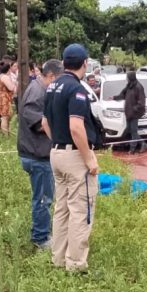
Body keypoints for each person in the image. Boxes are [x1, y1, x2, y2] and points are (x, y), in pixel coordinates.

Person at [42, 44, 100, 273]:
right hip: (75, 157)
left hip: (56, 153)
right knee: (80, 210)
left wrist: (58, 143)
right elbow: (76, 127)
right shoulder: (76, 89)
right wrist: (89, 160)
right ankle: (75, 265)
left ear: (64, 62)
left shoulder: (52, 86)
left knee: (62, 209)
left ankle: (58, 258)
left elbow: (45, 122)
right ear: (85, 63)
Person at [18, 59, 61, 249]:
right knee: (43, 198)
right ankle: (40, 238)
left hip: (37, 152)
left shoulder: (41, 88)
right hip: (36, 154)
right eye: (58, 80)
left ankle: (43, 232)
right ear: (50, 76)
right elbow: (35, 121)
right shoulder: (37, 92)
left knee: (44, 196)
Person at [115, 70, 147, 155]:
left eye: (127, 77)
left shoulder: (139, 87)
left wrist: (134, 109)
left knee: (133, 131)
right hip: (128, 113)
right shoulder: (129, 86)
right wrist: (114, 97)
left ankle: (132, 149)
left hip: (134, 113)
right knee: (130, 130)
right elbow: (122, 95)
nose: (126, 78)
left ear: (131, 77)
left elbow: (141, 102)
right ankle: (143, 143)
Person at [0, 59, 18, 134]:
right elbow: (11, 87)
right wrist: (16, 86)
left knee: (6, 116)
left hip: (3, 97)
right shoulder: (5, 77)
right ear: (8, 68)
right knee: (5, 117)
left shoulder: (1, 76)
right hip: (5, 98)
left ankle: (4, 132)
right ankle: (5, 134)